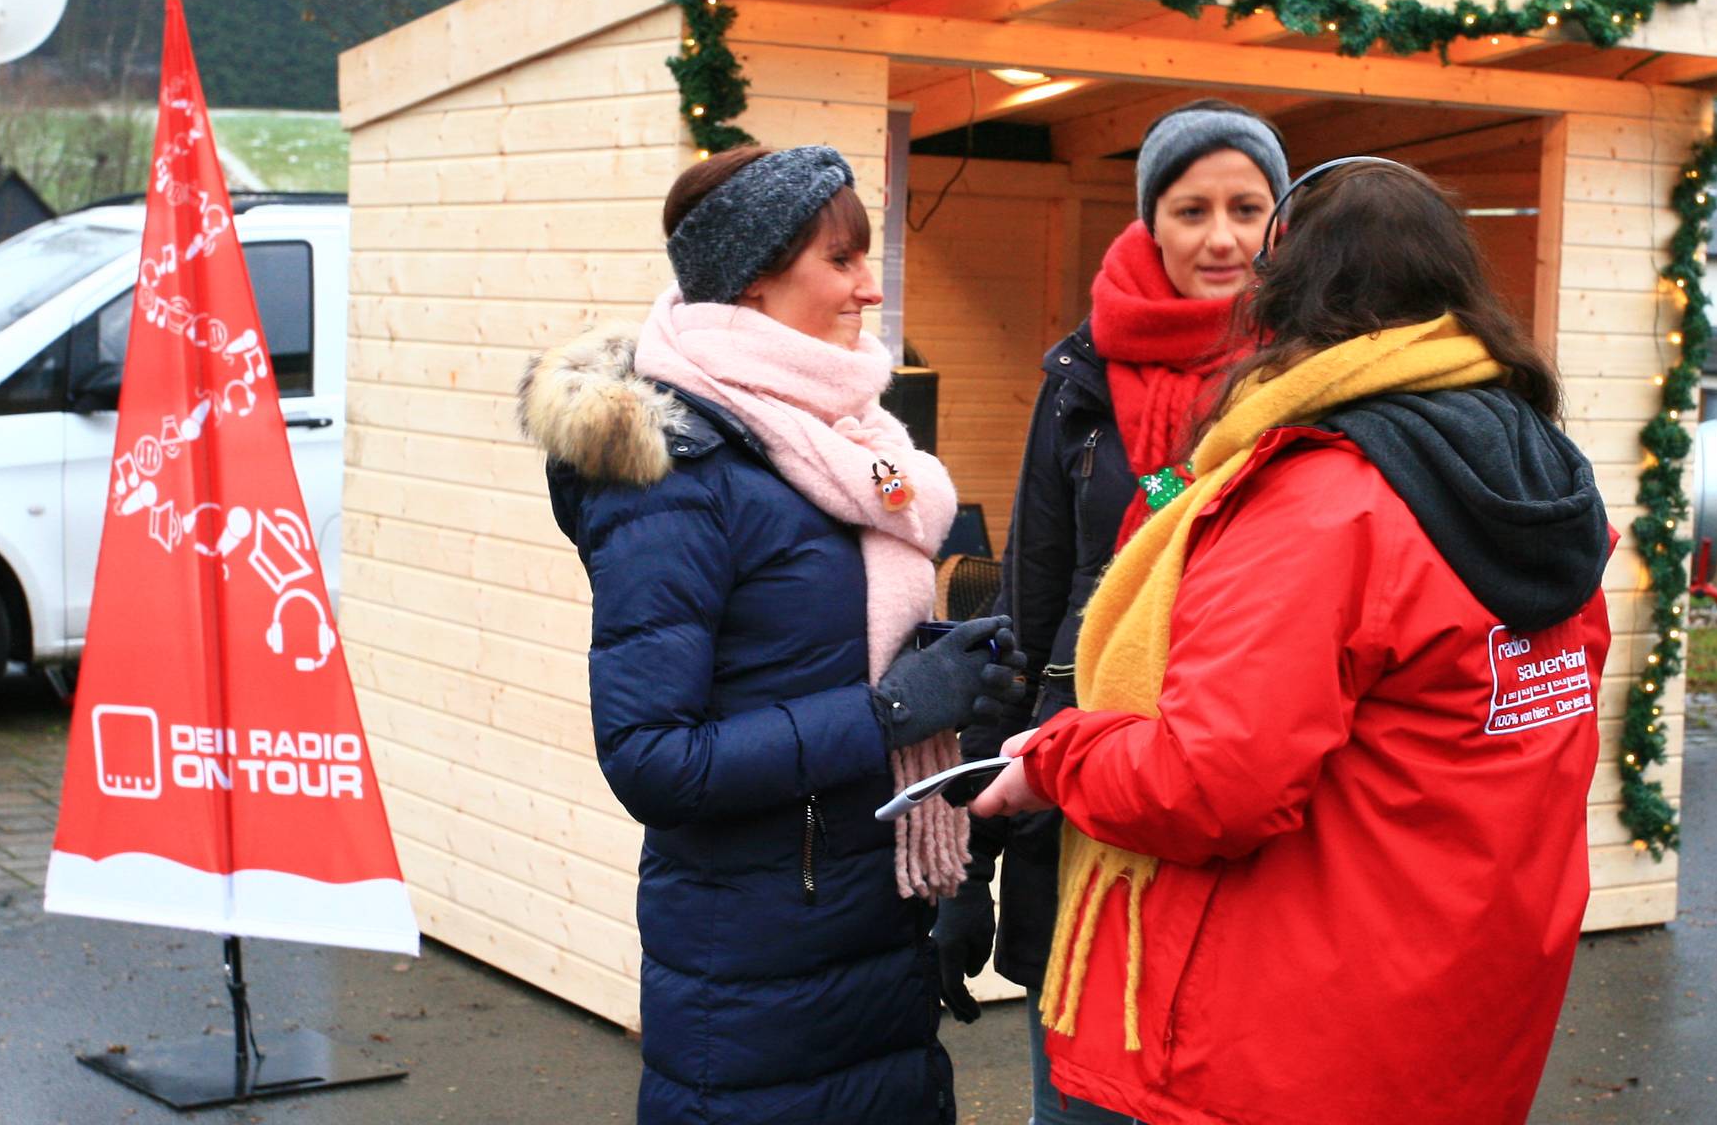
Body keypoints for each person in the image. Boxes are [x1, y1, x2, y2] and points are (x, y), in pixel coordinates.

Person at [966, 158, 1614, 1125]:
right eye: (1191, 210)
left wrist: (1059, 755)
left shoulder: (1324, 499)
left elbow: (1209, 781)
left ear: (1285, 299)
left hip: (1296, 1032)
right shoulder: (1537, 474)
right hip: (1454, 1002)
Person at [521, 144, 1025, 1124]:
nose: (870, 288)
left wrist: (950, 696)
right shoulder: (674, 472)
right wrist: (888, 712)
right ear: (752, 274)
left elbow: (822, 660)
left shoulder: (848, 440)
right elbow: (652, 758)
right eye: (841, 259)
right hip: (757, 981)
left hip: (877, 938)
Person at [937, 99, 1286, 1125]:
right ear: (1150, 221)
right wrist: (969, 853)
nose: (1221, 237)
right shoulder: (1079, 378)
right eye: (1191, 210)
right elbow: (1029, 605)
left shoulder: (1310, 369)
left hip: (1240, 782)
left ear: (1281, 220)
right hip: (1080, 778)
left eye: (1247, 208)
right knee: (1081, 1095)